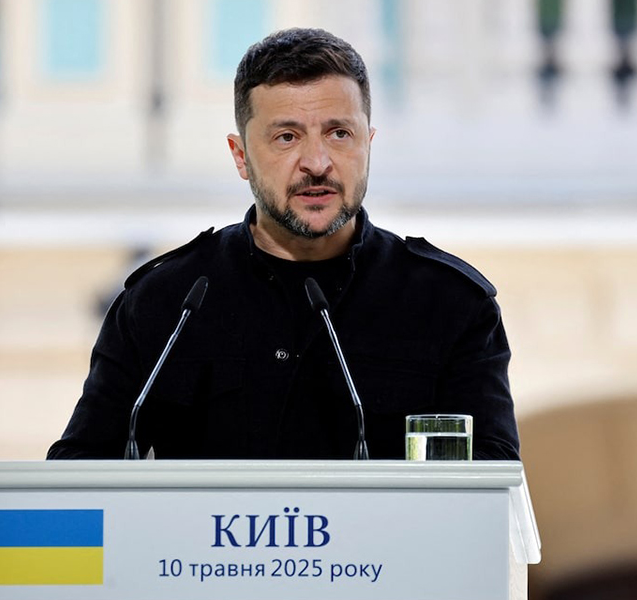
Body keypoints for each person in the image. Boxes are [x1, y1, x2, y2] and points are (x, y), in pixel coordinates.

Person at [47, 28, 519, 461]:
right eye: (287, 137)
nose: (316, 162)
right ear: (241, 157)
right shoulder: (166, 303)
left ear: (368, 143)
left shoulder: (451, 304)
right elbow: (78, 479)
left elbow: (492, 496)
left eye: (339, 133)